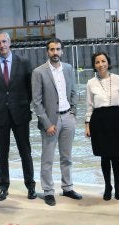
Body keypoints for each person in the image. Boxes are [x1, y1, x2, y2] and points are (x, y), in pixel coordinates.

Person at [0, 31, 37, 201]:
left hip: (20, 114)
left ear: (10, 42)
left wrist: (21, 103)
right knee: (2, 153)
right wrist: (2, 103)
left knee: (25, 152)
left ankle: (30, 186)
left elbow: (30, 89)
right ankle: (3, 186)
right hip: (0, 115)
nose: (2, 45)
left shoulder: (24, 62)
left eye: (4, 42)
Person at [31, 37, 83, 206]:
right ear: (48, 52)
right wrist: (47, 123)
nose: (55, 53)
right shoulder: (39, 72)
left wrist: (73, 112)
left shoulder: (68, 68)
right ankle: (48, 191)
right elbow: (36, 102)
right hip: (50, 122)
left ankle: (67, 188)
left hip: (68, 117)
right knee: (47, 159)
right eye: (52, 50)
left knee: (67, 157)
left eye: (58, 49)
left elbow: (75, 91)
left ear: (62, 51)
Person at [84, 52, 119, 201]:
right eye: (97, 62)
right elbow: (89, 105)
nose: (101, 64)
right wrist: (87, 124)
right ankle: (107, 186)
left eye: (103, 61)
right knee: (104, 156)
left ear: (108, 62)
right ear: (94, 65)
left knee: (116, 155)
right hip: (98, 120)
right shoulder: (90, 82)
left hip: (116, 118)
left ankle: (118, 185)